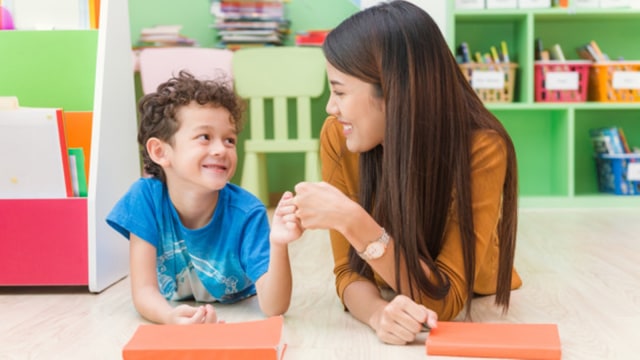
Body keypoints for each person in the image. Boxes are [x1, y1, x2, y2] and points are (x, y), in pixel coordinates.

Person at [291, 0, 522, 345]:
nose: (330, 107)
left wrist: (353, 220)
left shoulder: (482, 149)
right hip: (389, 286)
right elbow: (347, 273)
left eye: (339, 91)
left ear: (392, 93)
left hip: (474, 292)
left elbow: (445, 299)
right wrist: (376, 312)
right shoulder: (338, 136)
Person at [106, 71, 302, 325]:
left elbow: (275, 307)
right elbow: (143, 291)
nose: (221, 149)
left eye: (229, 140)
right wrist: (168, 316)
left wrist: (278, 244)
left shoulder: (247, 211)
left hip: (237, 305)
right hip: (174, 304)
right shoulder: (144, 199)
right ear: (160, 151)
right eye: (204, 137)